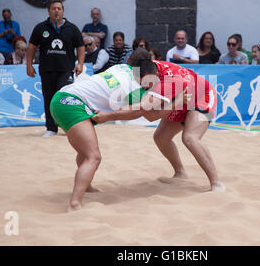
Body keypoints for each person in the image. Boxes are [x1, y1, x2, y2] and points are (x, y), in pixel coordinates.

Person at [50, 58, 180, 212]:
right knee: (93, 157)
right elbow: (149, 116)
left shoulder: (121, 67)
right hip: (71, 104)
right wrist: (177, 101)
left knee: (85, 152)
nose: (152, 86)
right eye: (152, 81)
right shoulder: (134, 88)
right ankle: (74, 204)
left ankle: (87, 186)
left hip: (62, 97)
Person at [98, 50, 226, 193]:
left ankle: (216, 183)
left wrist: (108, 116)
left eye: (146, 85)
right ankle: (180, 172)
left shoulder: (167, 82)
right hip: (180, 98)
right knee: (160, 137)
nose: (144, 87)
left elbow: (150, 115)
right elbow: (145, 110)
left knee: (190, 138)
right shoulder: (143, 70)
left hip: (202, 95)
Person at [26, 0, 85, 138]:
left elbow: (81, 47)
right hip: (47, 69)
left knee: (64, 98)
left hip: (66, 70)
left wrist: (80, 64)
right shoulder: (41, 28)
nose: (56, 11)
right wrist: (29, 65)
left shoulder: (72, 28)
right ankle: (51, 128)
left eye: (59, 8)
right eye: (53, 8)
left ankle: (67, 127)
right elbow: (32, 47)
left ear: (63, 11)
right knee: (49, 99)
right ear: (49, 11)